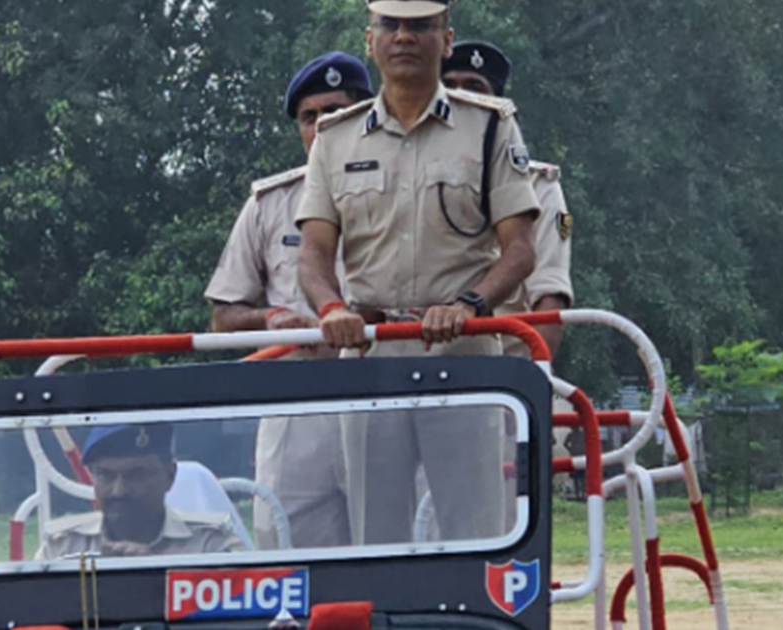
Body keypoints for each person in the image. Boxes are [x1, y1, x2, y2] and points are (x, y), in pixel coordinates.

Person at [296, 0, 540, 544]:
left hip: (463, 350)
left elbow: (520, 250)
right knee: (375, 536)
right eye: (391, 25)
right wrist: (331, 309)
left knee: (476, 532)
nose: (404, 37)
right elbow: (312, 253)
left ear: (446, 40)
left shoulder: (489, 126)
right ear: (370, 40)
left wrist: (469, 305)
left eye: (421, 26)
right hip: (370, 352)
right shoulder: (336, 137)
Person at [204, 52, 375, 550]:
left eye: (335, 112)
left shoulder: (401, 192)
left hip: (382, 398)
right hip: (295, 404)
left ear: (366, 116)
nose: (321, 126)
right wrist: (271, 318)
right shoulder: (269, 203)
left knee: (392, 548)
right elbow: (224, 315)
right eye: (309, 116)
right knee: (286, 555)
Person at [441, 41, 573, 357]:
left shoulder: (538, 186)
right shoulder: (412, 177)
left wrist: (533, 377)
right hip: (415, 362)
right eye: (450, 88)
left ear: (497, 105)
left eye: (474, 88)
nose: (461, 98)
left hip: (503, 372)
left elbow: (549, 300)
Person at [38, 424, 246, 558]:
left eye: (137, 476)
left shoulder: (211, 545)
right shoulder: (62, 548)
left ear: (170, 476)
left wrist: (153, 577)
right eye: (105, 475)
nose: (119, 491)